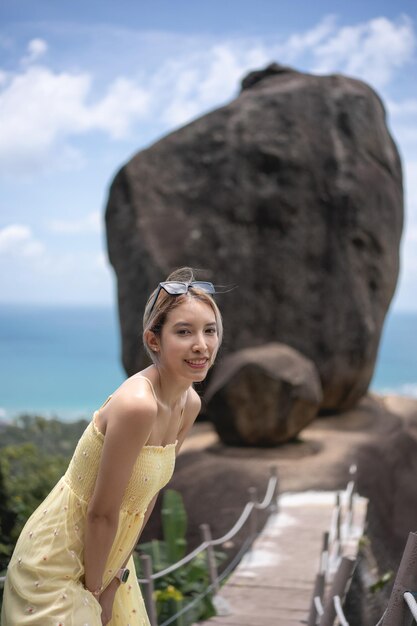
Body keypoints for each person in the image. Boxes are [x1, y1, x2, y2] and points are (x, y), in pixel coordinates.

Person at [1, 267, 223, 626]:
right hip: (57, 558)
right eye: (184, 332)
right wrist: (95, 595)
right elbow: (101, 511)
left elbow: (146, 498)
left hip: (108, 559)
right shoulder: (138, 405)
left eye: (209, 330)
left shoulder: (188, 404)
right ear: (154, 340)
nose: (202, 344)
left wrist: (114, 579)